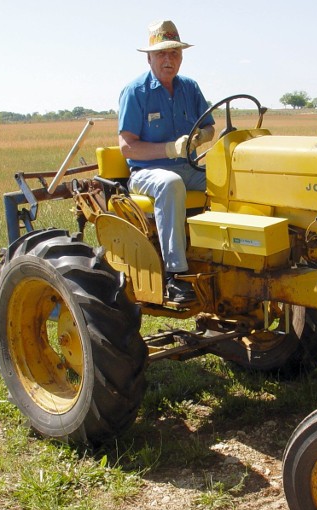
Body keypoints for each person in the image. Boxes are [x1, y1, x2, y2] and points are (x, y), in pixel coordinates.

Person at [118, 19, 215, 303]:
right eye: (161, 53)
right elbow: (127, 148)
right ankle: (175, 275)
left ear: (182, 57)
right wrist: (170, 148)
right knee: (171, 183)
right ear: (149, 58)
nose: (168, 59)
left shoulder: (190, 88)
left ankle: (227, 257)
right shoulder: (136, 92)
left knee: (229, 181)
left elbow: (210, 127)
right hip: (148, 173)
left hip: (189, 167)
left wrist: (198, 138)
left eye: (174, 53)